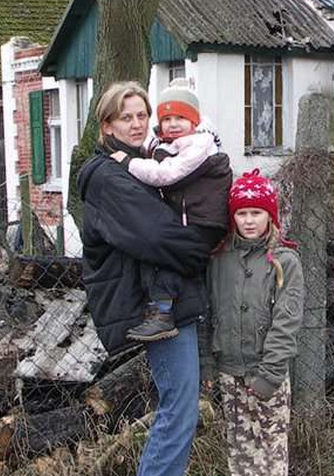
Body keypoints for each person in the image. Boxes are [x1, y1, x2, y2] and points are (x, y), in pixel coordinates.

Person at [77, 81, 222, 476]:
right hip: (156, 309)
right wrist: (201, 249)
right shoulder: (110, 178)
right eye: (127, 117)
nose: (138, 124)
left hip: (171, 301)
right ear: (107, 126)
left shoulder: (148, 164)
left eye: (143, 115)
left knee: (181, 407)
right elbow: (157, 236)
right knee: (179, 409)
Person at [111, 78, 232, 342]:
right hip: (190, 217)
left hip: (205, 221)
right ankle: (162, 310)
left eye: (181, 117)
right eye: (167, 119)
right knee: (163, 252)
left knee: (170, 256)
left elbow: (167, 175)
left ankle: (163, 314)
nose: (173, 124)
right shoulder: (167, 144)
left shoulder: (199, 145)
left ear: (194, 121)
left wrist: (128, 163)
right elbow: (153, 152)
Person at [202, 169, 304, 476]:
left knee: (270, 454)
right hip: (229, 372)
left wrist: (270, 374)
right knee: (240, 453)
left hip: (266, 372)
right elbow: (206, 314)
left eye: (256, 213)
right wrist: (208, 364)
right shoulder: (218, 259)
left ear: (269, 215)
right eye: (242, 213)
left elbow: (287, 321)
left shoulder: (284, 261)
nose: (248, 221)